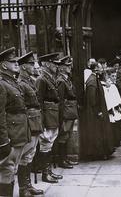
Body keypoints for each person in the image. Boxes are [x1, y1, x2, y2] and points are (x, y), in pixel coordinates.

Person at [0, 47, 30, 196]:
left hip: (18, 133)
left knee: (12, 170)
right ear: (4, 65)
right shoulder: (2, 84)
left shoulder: (12, 82)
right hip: (11, 136)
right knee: (7, 170)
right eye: (13, 61)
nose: (17, 63)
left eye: (17, 61)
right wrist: (4, 141)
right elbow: (0, 114)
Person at [17, 52, 44, 196]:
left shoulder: (31, 81)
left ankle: (28, 186)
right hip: (29, 122)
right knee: (25, 155)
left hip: (35, 120)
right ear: (23, 67)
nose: (33, 66)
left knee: (30, 154)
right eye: (30, 64)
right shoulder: (21, 83)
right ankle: (23, 188)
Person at [36, 53, 63, 183]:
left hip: (52, 115)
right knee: (45, 144)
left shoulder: (50, 78)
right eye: (54, 63)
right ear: (46, 64)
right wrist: (41, 121)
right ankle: (45, 173)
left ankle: (49, 171)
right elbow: (39, 102)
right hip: (47, 116)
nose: (56, 66)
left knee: (50, 144)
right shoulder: (41, 79)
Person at [82, 60, 114, 160]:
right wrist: (98, 111)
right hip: (95, 113)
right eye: (100, 68)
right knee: (98, 132)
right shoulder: (92, 81)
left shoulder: (94, 79)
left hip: (97, 111)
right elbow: (92, 99)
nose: (102, 69)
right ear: (96, 69)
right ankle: (99, 153)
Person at [57, 56, 79, 169]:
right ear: (61, 68)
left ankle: (65, 158)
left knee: (67, 135)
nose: (70, 67)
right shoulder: (61, 81)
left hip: (70, 111)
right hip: (66, 112)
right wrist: (61, 116)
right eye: (67, 66)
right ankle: (62, 160)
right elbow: (60, 100)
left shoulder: (66, 79)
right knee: (63, 136)